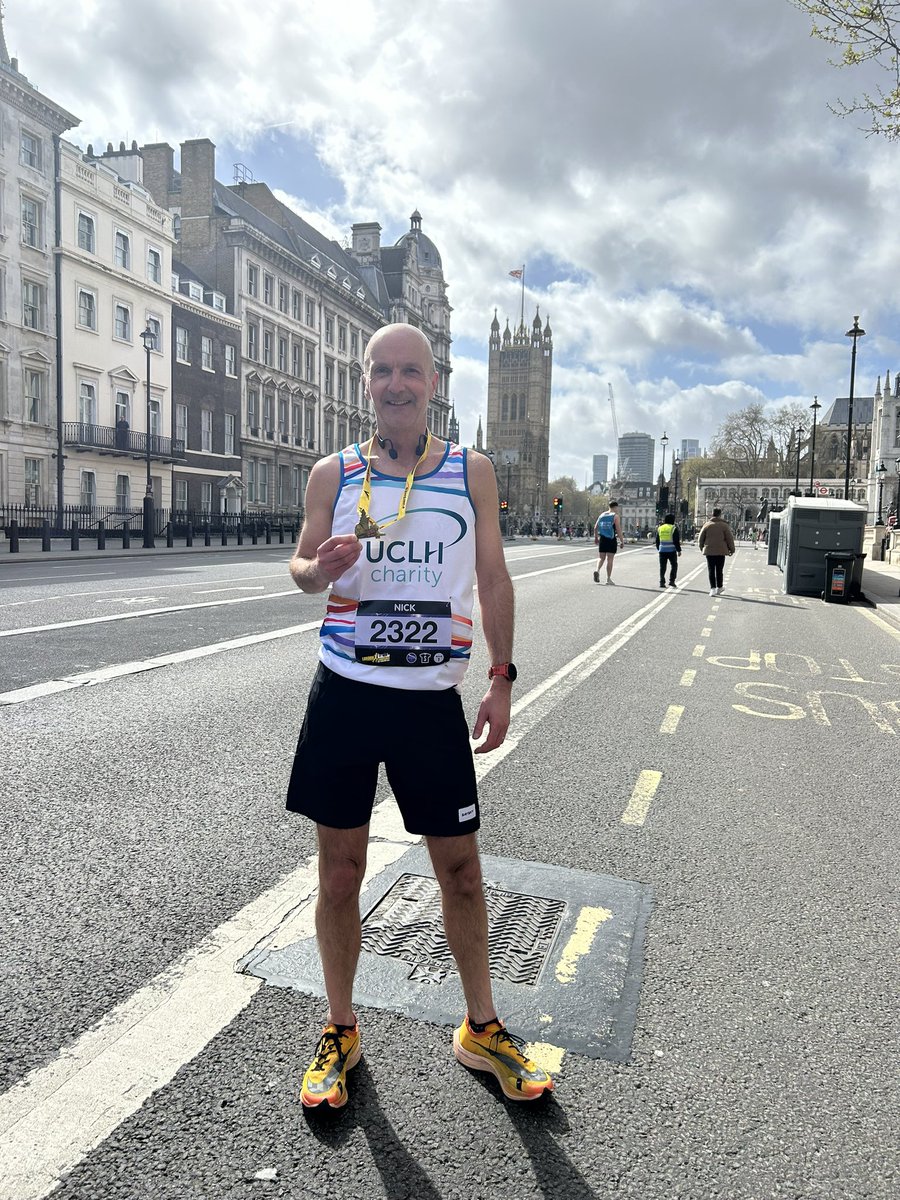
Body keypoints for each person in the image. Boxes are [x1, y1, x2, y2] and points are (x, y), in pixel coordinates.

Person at [286, 324, 554, 1109]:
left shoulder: (472, 471)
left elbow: (494, 577)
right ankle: (340, 1029)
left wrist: (501, 679)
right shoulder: (332, 473)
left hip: (430, 701)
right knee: (340, 875)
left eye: (411, 371)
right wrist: (319, 568)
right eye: (382, 372)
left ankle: (482, 1028)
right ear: (365, 383)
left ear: (433, 383)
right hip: (345, 691)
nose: (396, 384)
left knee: (462, 874)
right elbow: (301, 568)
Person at [698, 507, 735, 595]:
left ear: (712, 514)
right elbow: (729, 539)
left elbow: (701, 538)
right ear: (720, 514)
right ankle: (720, 587)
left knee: (711, 569)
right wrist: (732, 549)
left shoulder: (707, 525)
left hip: (709, 550)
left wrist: (701, 547)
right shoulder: (724, 526)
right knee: (719, 569)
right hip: (721, 550)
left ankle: (712, 588)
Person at [593, 500, 623, 584]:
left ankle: (597, 570)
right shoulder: (615, 516)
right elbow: (618, 529)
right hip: (611, 539)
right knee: (610, 559)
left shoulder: (601, 515)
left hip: (602, 539)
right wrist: (622, 541)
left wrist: (596, 538)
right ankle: (608, 579)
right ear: (615, 507)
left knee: (601, 558)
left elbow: (595, 528)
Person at [655, 512, 681, 588]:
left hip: (662, 550)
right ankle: (671, 581)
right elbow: (676, 541)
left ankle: (662, 582)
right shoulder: (673, 528)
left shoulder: (660, 528)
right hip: (671, 551)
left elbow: (657, 540)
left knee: (662, 567)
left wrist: (658, 548)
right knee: (674, 565)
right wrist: (679, 550)